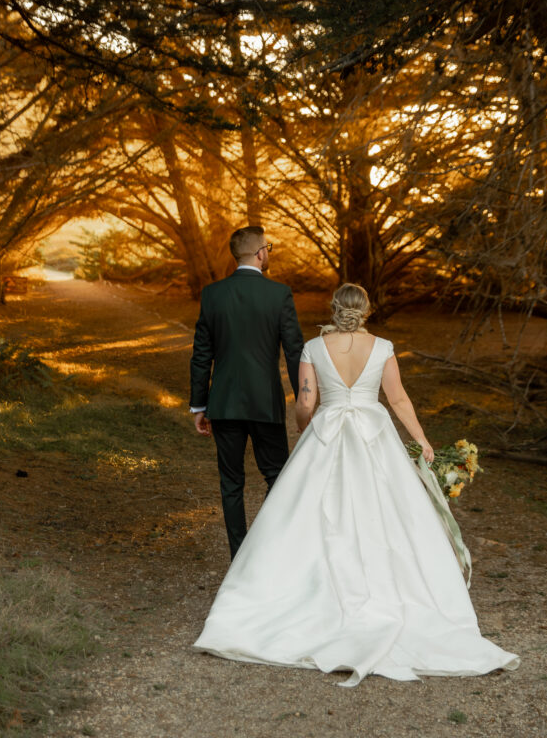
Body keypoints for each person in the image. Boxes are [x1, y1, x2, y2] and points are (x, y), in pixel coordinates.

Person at [194, 283, 520, 687]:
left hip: (327, 434)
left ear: (334, 308)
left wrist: (304, 431)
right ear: (366, 311)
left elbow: (306, 403)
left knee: (306, 516)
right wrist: (421, 439)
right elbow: (398, 399)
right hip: (374, 436)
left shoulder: (313, 348)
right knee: (385, 516)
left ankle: (298, 596)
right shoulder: (382, 347)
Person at [190, 225, 304, 559]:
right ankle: (270, 552)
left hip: (222, 404)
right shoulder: (278, 294)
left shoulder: (213, 294)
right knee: (277, 478)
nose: (268, 253)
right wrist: (303, 402)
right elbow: (295, 351)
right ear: (259, 252)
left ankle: (240, 556)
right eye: (267, 248)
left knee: (231, 483)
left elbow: (201, 353)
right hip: (265, 402)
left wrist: (199, 404)